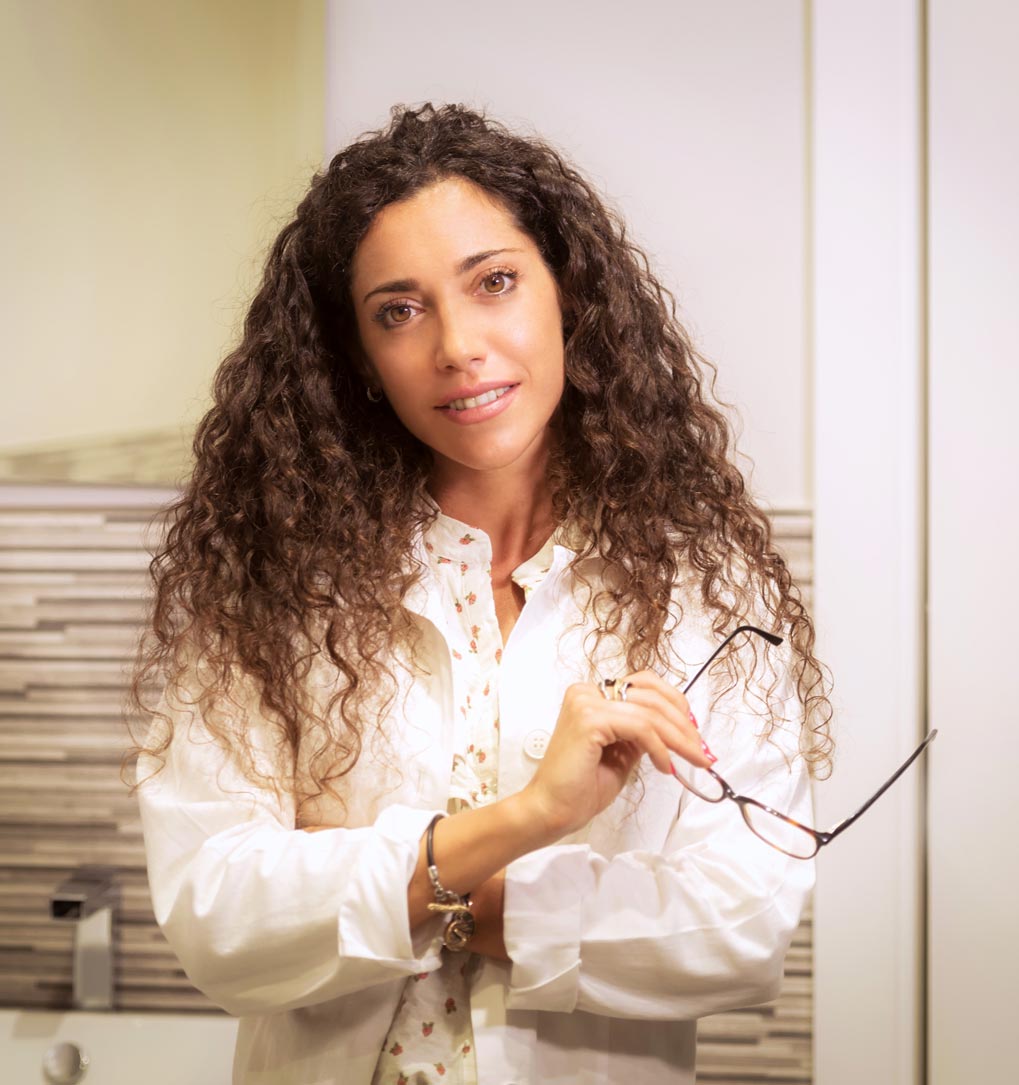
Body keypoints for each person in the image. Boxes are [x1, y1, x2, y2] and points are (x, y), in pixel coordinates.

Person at [131, 102, 832, 1085]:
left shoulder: (706, 586)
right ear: (359, 356)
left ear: (568, 293)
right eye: (398, 310)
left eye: (493, 281)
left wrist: (414, 886)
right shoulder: (272, 584)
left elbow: (740, 925)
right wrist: (531, 817)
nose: (456, 344)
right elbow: (219, 917)